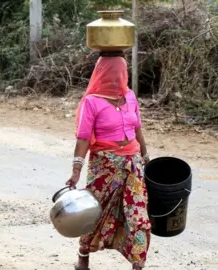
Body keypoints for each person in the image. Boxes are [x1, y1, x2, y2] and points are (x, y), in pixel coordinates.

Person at [65, 53, 151, 270]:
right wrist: (76, 170)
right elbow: (83, 138)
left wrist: (146, 157)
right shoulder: (91, 102)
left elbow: (137, 128)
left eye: (121, 73)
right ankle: (83, 255)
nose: (117, 79)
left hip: (133, 164)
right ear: (102, 74)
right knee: (95, 212)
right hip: (104, 166)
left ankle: (138, 264)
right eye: (113, 74)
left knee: (138, 215)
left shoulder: (130, 97)